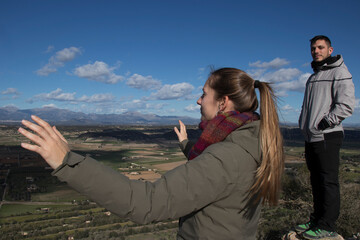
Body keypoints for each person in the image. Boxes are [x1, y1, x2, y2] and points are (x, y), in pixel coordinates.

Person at [18, 68, 284, 240]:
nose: (198, 101)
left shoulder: (227, 155)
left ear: (223, 102)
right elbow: (217, 175)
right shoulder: (251, 141)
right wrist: (186, 146)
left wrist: (68, 161)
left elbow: (146, 203)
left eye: (204, 94)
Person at [297, 35, 355, 239]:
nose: (316, 51)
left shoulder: (340, 72)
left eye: (320, 47)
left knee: (328, 182)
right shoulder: (313, 76)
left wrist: (325, 122)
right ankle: (317, 220)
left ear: (330, 50)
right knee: (316, 181)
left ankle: (327, 226)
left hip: (328, 136)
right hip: (311, 137)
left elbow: (347, 105)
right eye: (313, 48)